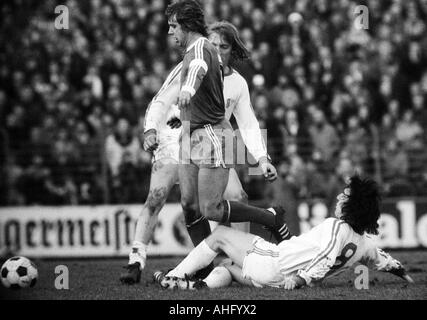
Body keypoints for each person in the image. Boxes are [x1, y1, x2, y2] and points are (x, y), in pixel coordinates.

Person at [120, 18, 288, 284]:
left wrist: (263, 159)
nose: (217, 49)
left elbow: (249, 124)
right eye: (213, 44)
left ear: (232, 50)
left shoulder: (238, 84)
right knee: (161, 196)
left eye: (223, 46)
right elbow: (161, 100)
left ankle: (240, 259)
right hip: (177, 138)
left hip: (214, 140)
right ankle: (137, 258)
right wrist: (151, 129)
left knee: (236, 194)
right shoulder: (187, 66)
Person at [154, 175, 414, 290]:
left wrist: (302, 280)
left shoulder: (337, 228)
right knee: (228, 266)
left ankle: (174, 275)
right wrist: (401, 272)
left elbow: (324, 257)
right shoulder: (363, 243)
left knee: (220, 235)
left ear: (352, 205)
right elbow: (382, 259)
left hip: (275, 263)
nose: (339, 196)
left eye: (345, 195)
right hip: (276, 281)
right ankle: (195, 286)